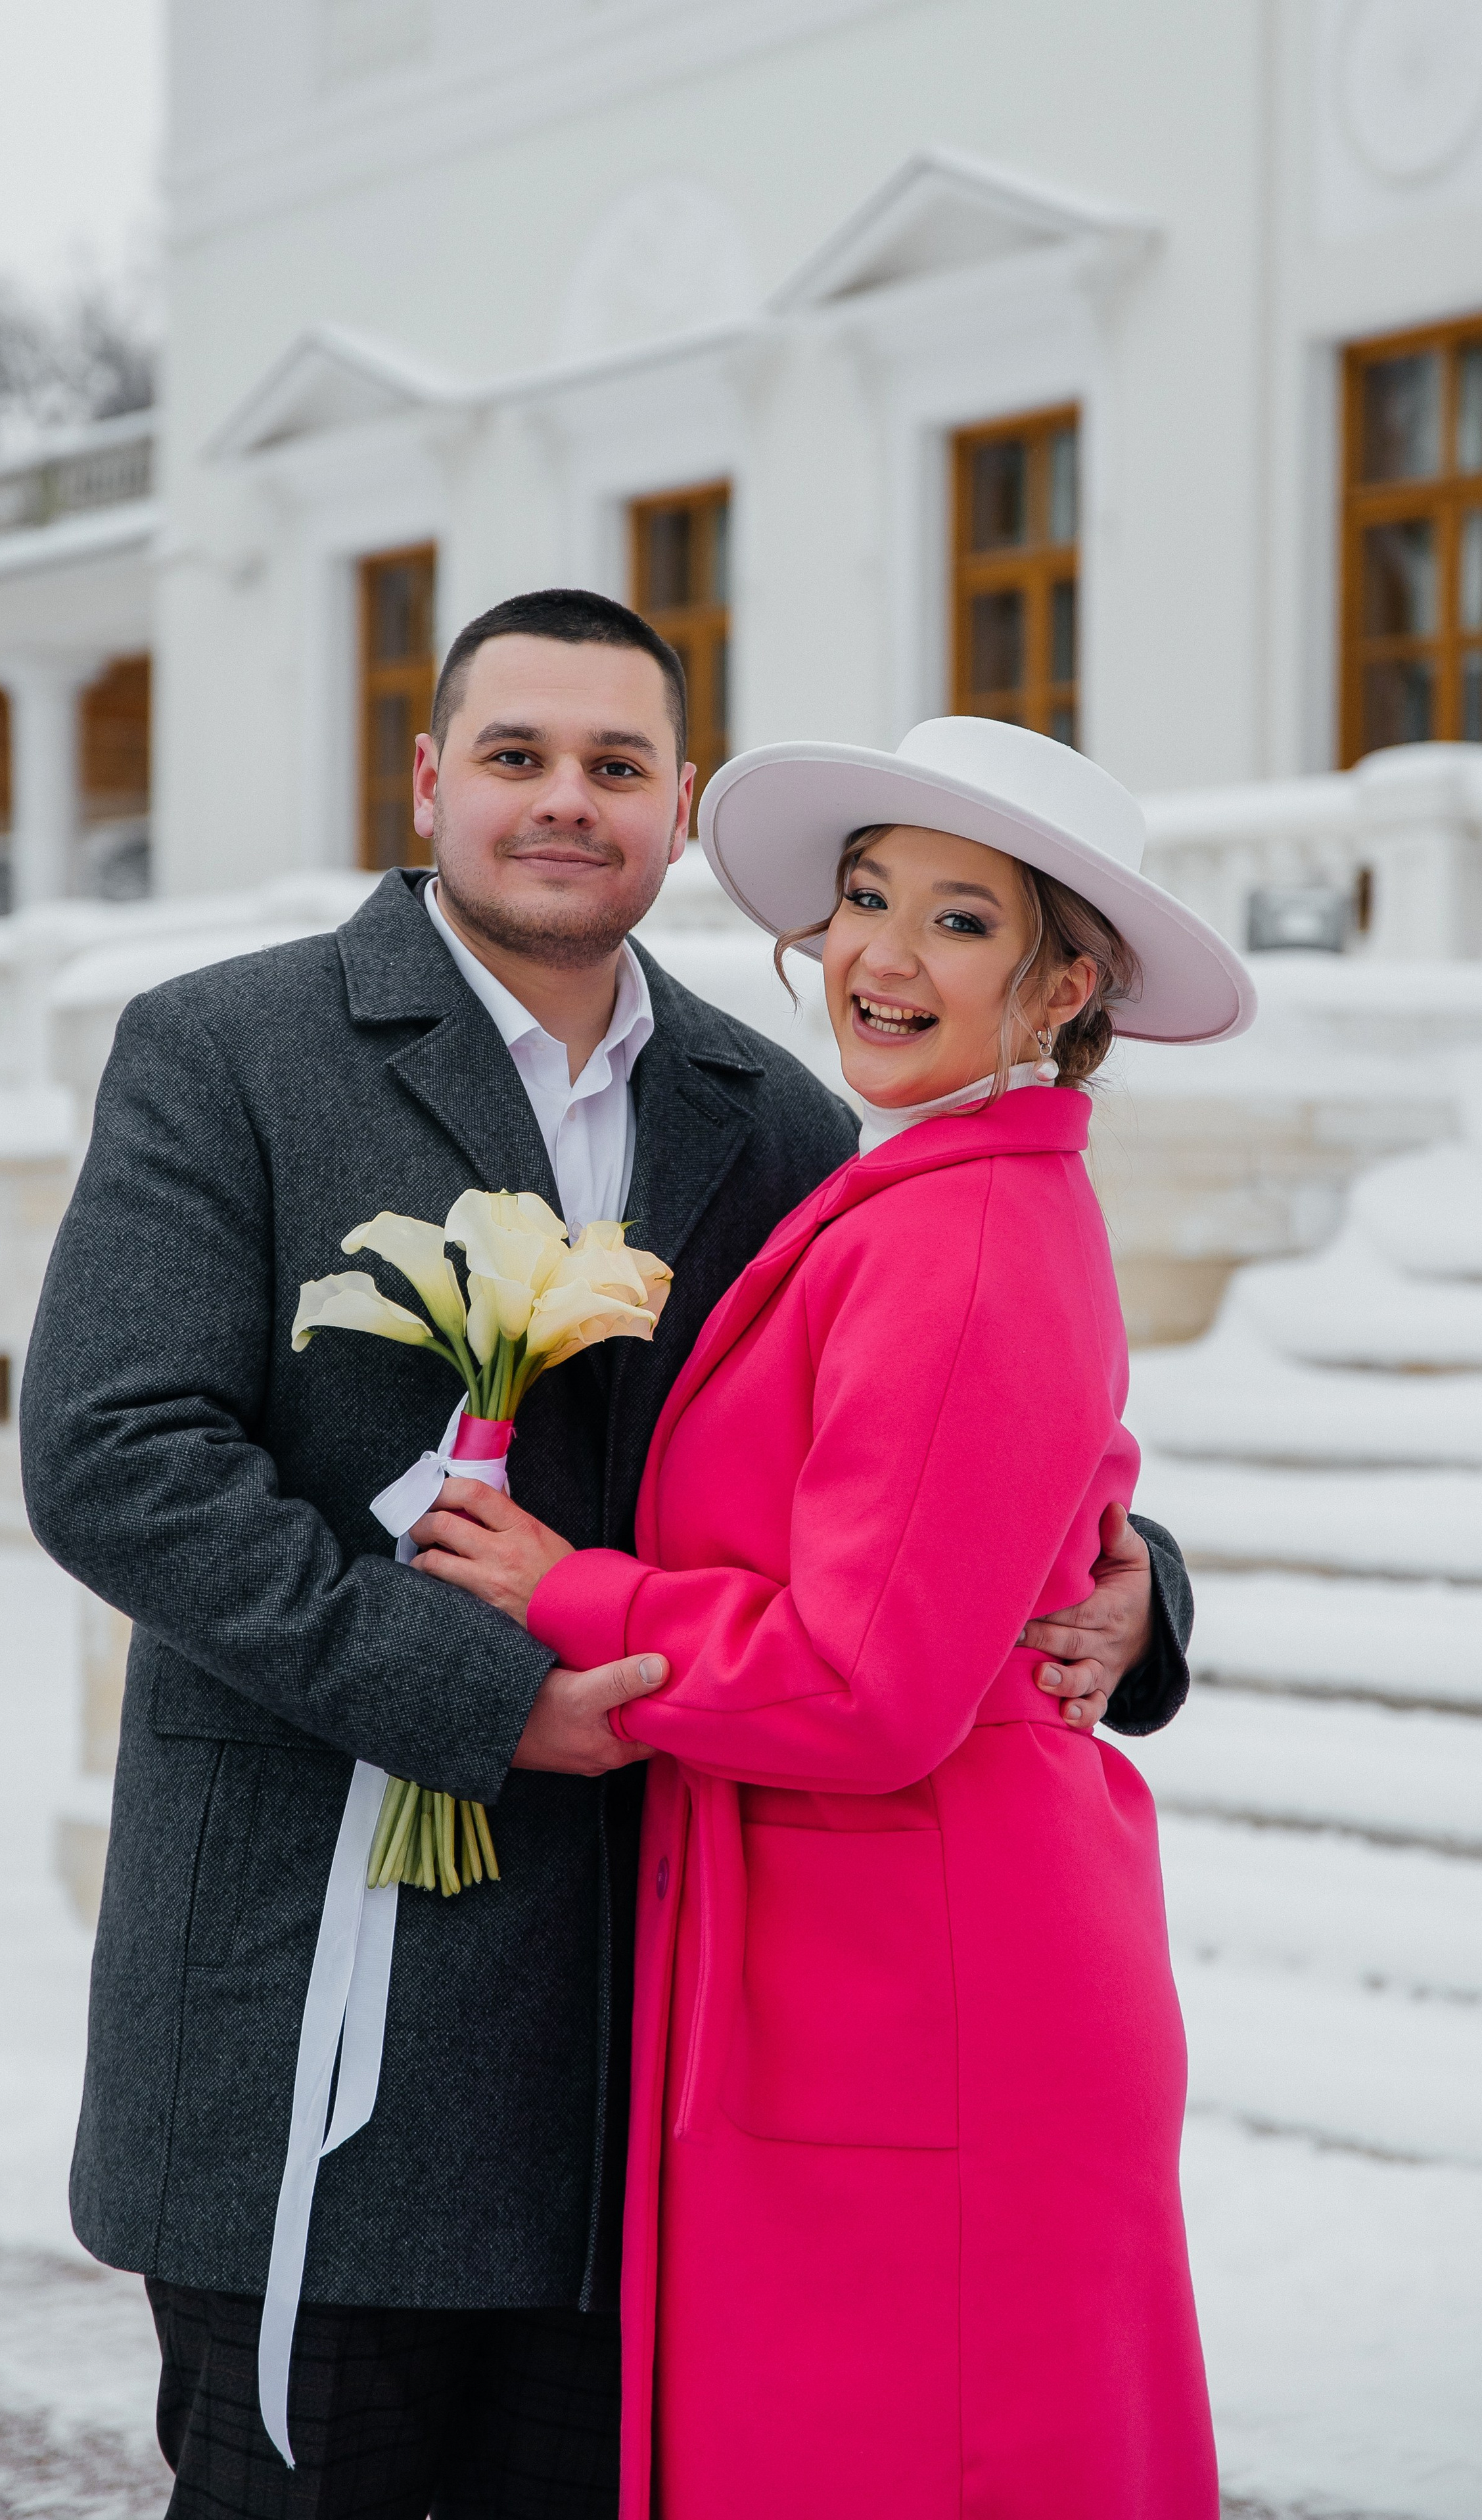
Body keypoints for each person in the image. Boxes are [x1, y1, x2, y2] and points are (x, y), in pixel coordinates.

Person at [19, 603, 1195, 2520]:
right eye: (518, 755)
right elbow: (114, 1458)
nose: (566, 799)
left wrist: (1133, 1584)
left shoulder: (781, 1114)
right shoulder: (226, 1048)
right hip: (311, 2013)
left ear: (677, 807)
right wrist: (489, 1695)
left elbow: (931, 1435)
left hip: (634, 2073)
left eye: (617, 766)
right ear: (430, 781)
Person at [407, 714, 1253, 2519]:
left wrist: (565, 1586)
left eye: (961, 920)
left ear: (1065, 986)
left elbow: (866, 1684)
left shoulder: (964, 1232)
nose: (882, 953)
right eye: (868, 897)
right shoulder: (914, 1188)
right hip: (878, 1960)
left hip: (921, 1987)